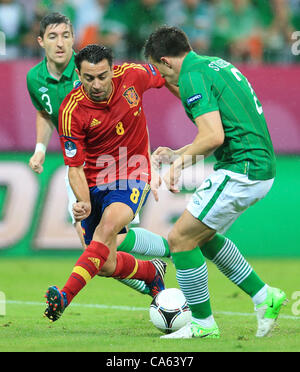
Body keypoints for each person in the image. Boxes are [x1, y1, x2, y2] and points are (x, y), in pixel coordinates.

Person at [144, 25, 287, 339]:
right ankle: (265, 296)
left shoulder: (191, 76)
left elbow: (212, 136)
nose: (164, 81)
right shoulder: (214, 64)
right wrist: (178, 153)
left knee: (180, 239)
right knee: (203, 238)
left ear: (166, 61)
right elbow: (222, 129)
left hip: (242, 168)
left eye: (160, 71)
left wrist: (179, 165)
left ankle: (203, 324)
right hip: (255, 166)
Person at [26, 13, 169, 300]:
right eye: (53, 37)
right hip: (82, 170)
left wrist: (147, 162)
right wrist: (40, 149)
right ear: (41, 41)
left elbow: (132, 115)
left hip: (119, 166)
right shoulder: (35, 79)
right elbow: (44, 113)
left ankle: (173, 249)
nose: (60, 43)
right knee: (100, 253)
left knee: (105, 237)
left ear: (74, 38)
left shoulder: (94, 64)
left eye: (66, 35)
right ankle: (152, 274)